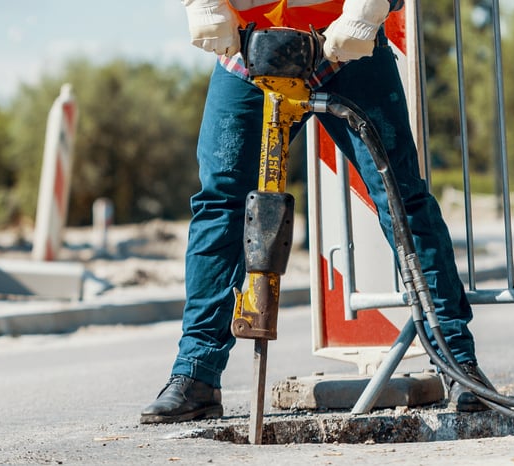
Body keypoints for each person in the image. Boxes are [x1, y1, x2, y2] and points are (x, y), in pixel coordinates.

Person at [141, 0, 489, 424]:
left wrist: (364, 14)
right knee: (221, 203)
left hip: (343, 39)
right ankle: (195, 375)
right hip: (250, 43)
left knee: (400, 197)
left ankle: (456, 363)